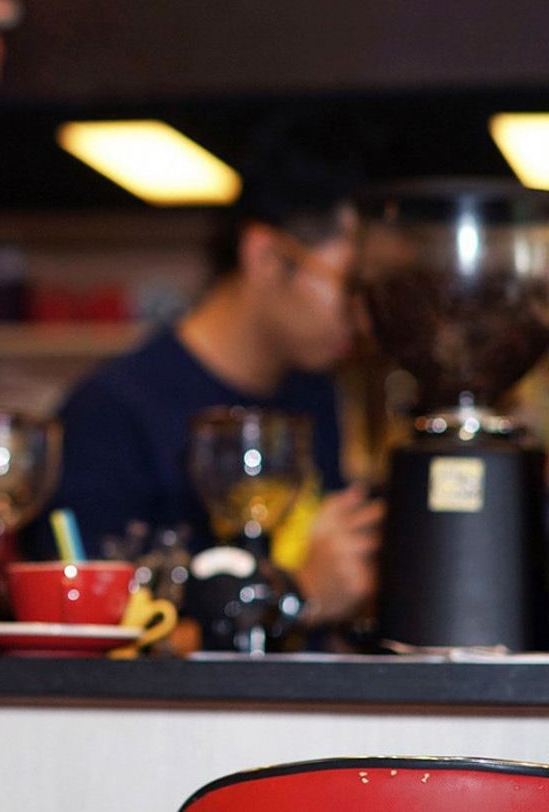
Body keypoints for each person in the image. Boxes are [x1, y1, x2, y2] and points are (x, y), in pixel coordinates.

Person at [41, 137, 383, 630]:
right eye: (351, 286)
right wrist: (299, 597)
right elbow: (87, 641)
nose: (365, 318)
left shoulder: (315, 397)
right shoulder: (112, 415)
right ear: (266, 256)